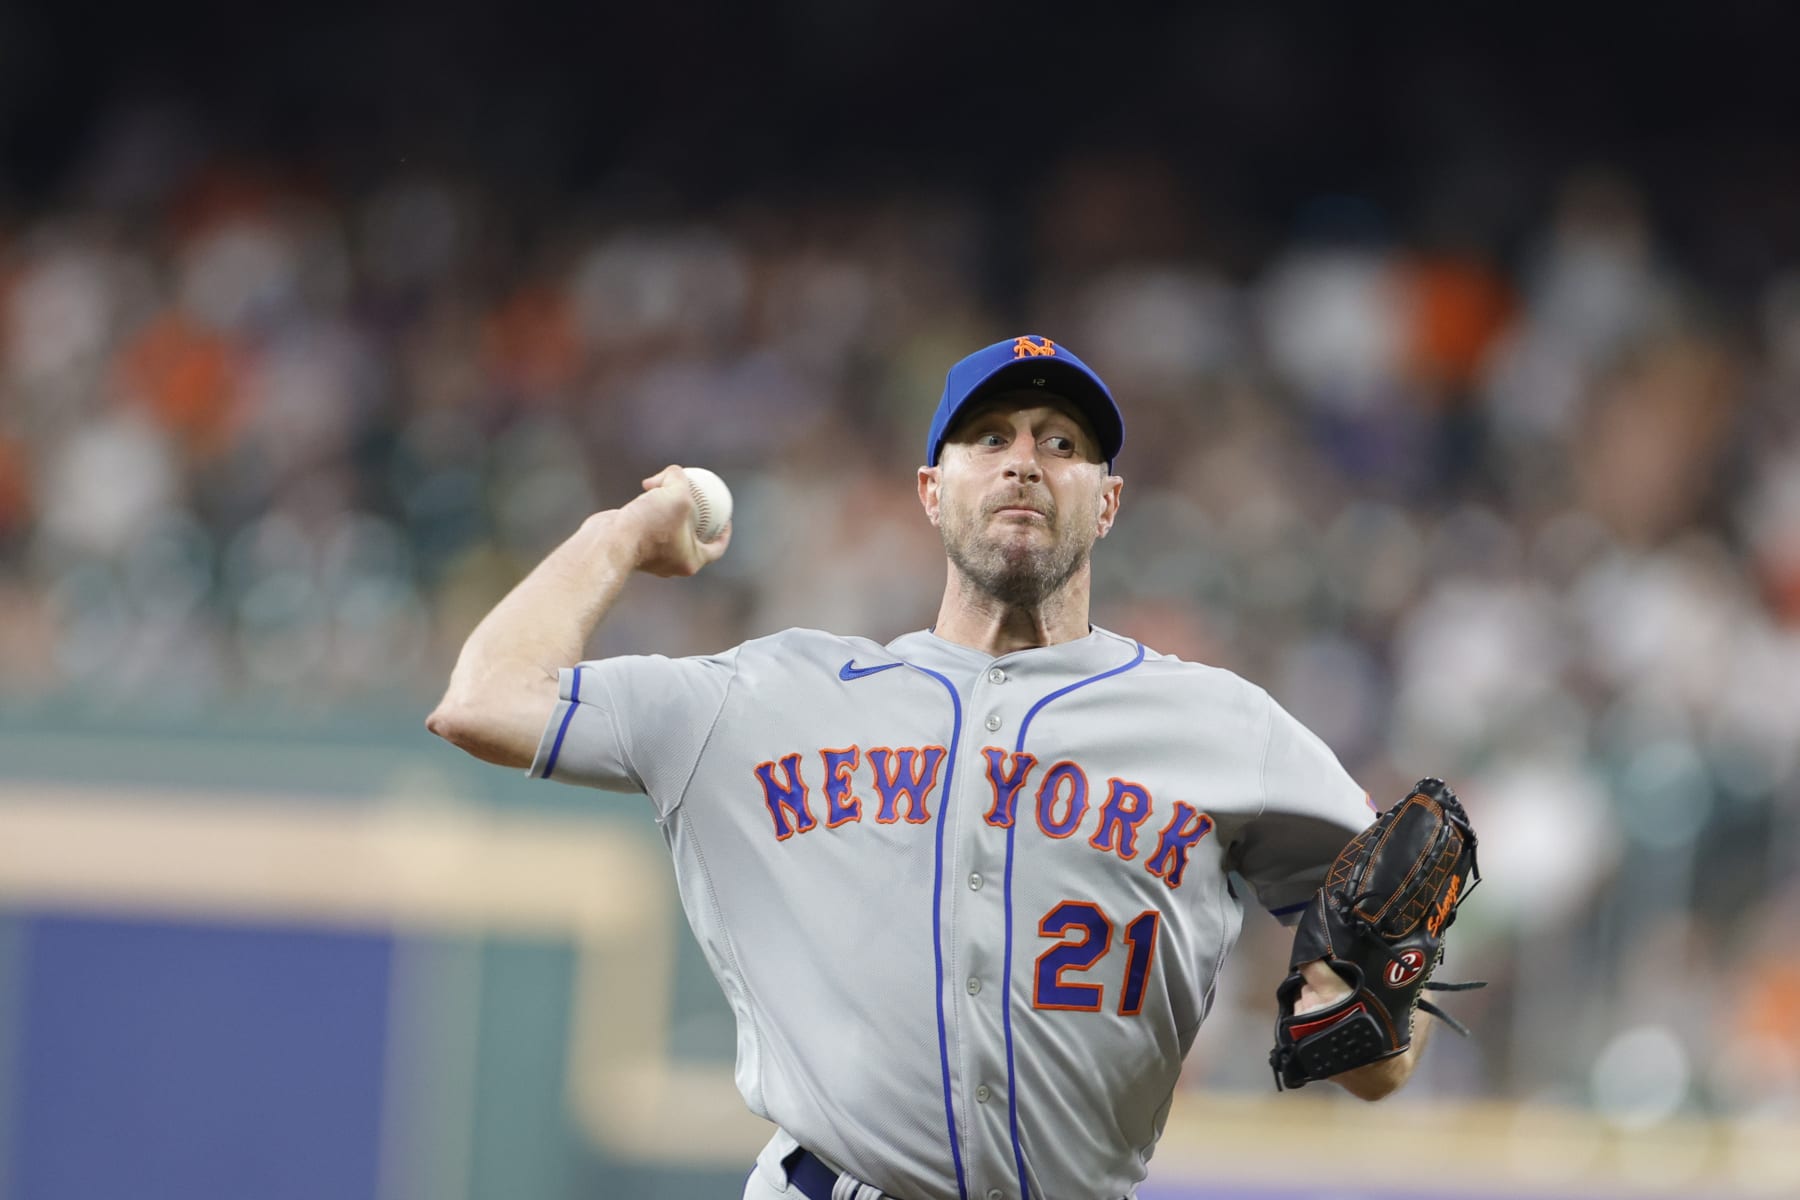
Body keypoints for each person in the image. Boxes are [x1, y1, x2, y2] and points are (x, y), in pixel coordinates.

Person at [427, 334, 1430, 1200]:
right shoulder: (772, 695)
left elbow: (1386, 1056)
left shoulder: (1223, 727)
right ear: (930, 490)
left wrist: (1364, 1006)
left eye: (1063, 444)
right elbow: (484, 700)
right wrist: (619, 538)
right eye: (990, 437)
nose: (1026, 463)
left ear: (1109, 501)